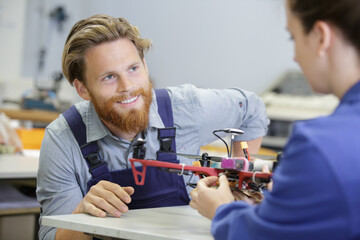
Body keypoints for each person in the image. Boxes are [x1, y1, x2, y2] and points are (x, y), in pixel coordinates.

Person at [36, 14, 269, 240]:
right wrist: (81, 217)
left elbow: (251, 108)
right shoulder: (62, 138)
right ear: (82, 89)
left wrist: (236, 179)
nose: (127, 86)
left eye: (133, 69)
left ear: (145, 66)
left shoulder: (185, 108)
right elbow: (51, 236)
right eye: (109, 77)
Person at [190, 0, 360, 239]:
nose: (295, 57)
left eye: (293, 37)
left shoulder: (319, 147)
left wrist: (222, 210)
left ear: (321, 37)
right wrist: (283, 207)